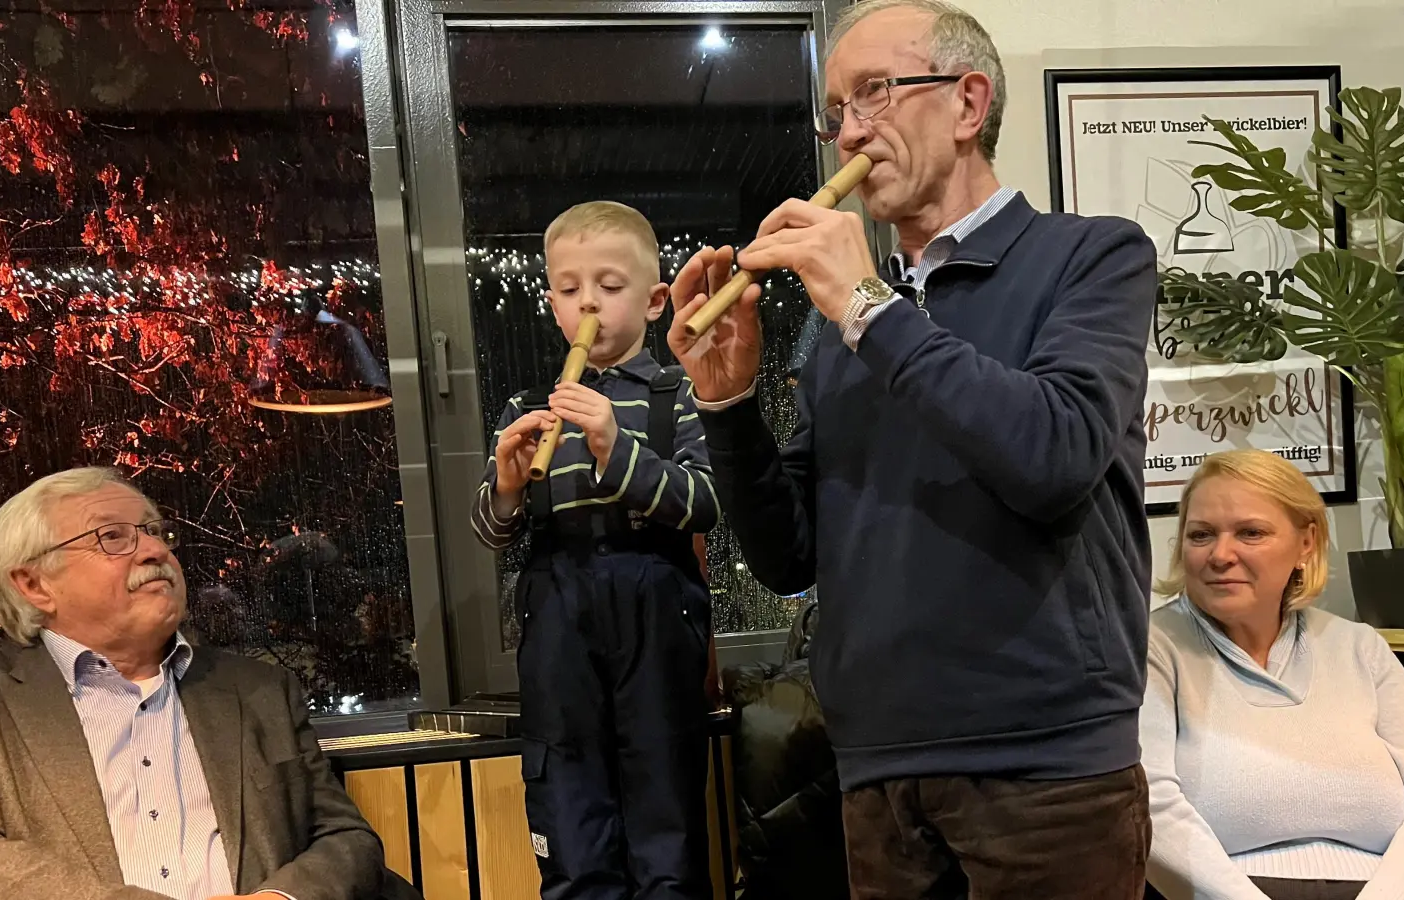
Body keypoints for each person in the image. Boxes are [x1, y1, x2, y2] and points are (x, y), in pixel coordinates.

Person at [666, 1, 1158, 897]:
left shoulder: (1093, 259)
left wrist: (867, 308)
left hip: (1045, 767)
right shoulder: (847, 325)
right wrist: (726, 399)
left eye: (876, 93)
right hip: (877, 772)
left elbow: (1051, 457)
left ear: (969, 104)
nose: (849, 129)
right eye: (837, 108)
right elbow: (789, 557)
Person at [0, 467, 399, 900]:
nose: (154, 550)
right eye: (112, 537)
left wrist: (281, 899)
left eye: (156, 532)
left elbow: (343, 838)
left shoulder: (261, 690)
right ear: (35, 584)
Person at [471, 200, 720, 900]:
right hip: (558, 599)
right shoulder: (531, 402)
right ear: (550, 299)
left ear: (655, 299)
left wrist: (616, 448)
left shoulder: (678, 396)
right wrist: (510, 487)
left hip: (654, 594)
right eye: (570, 288)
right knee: (568, 806)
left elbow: (706, 503)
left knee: (664, 805)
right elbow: (492, 534)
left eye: (609, 288)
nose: (589, 304)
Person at [1142, 449, 1404, 900]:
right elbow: (1148, 804)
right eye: (1200, 535)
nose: (1220, 554)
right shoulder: (1153, 647)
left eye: (1250, 533)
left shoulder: (1360, 647)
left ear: (1305, 543)